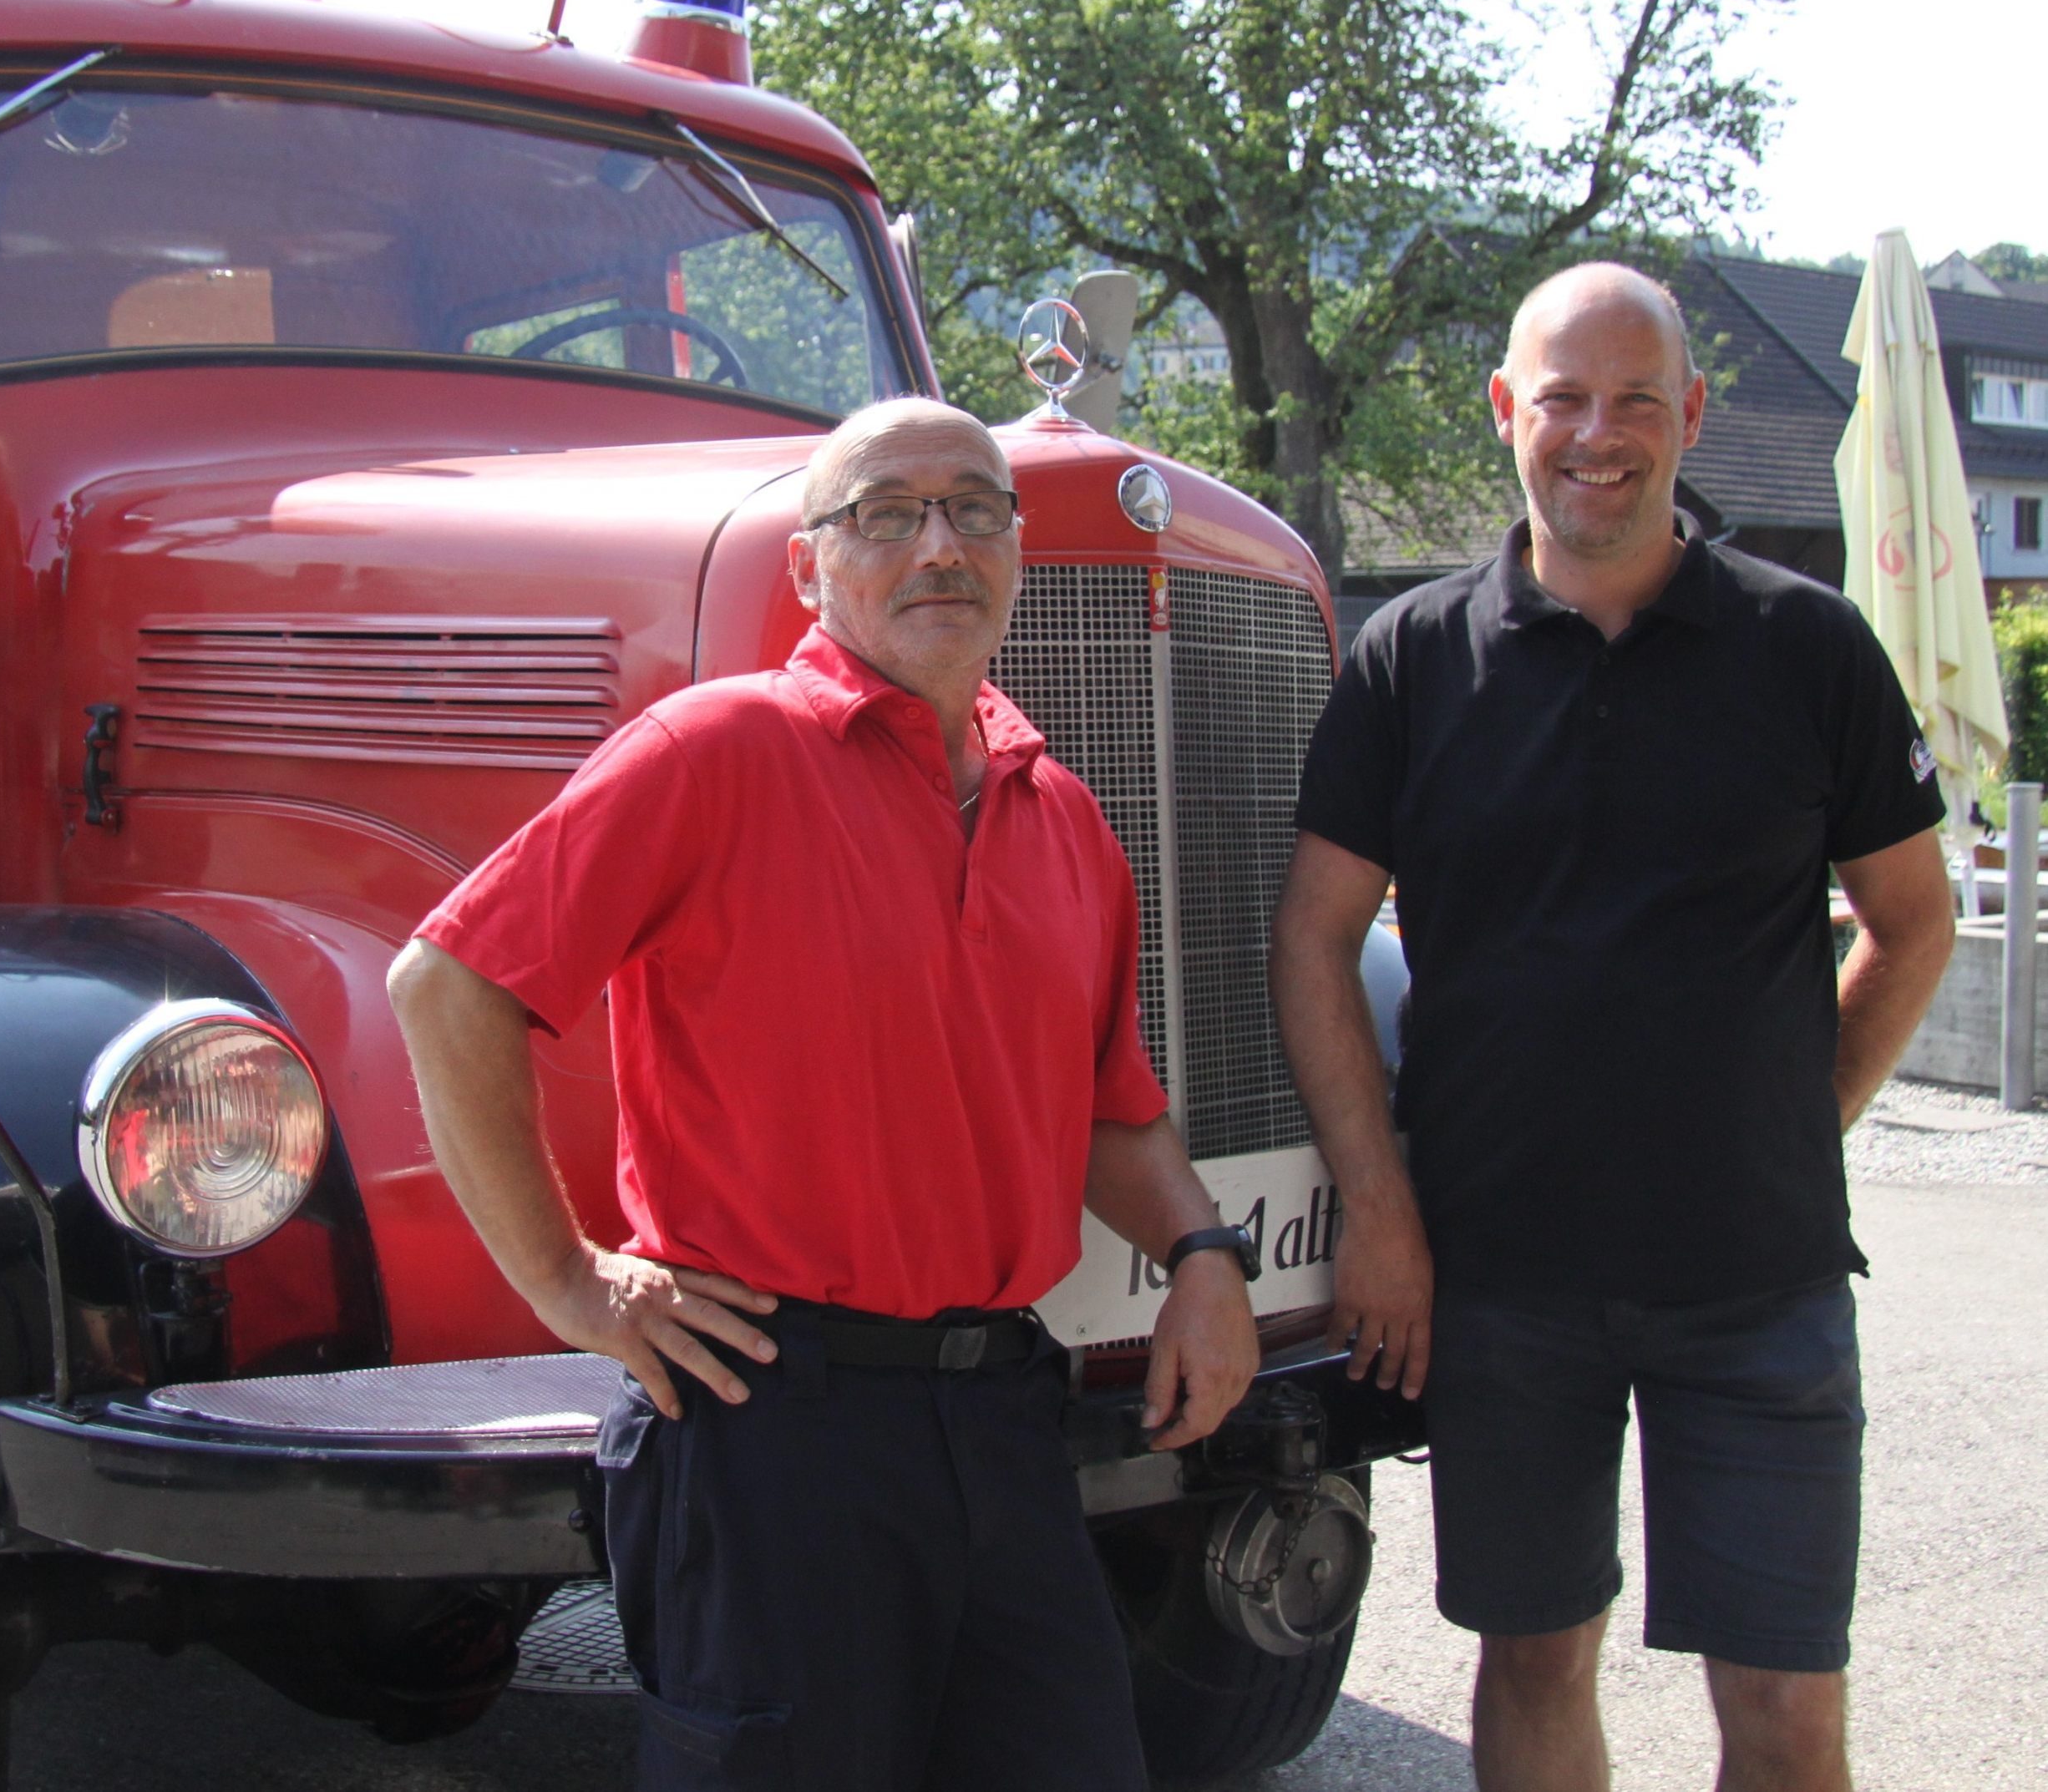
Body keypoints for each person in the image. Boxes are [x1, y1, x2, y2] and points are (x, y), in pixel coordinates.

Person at [388, 398, 1259, 1791]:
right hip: (768, 1422)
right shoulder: (711, 750)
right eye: (884, 512)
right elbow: (446, 985)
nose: (938, 544)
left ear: (1015, 553)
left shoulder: (1064, 817)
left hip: (1001, 1423)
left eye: (975, 508)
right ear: (808, 566)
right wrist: (568, 1282)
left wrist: (1203, 1256)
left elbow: (1108, 1109)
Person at [1270, 263, 1957, 1792]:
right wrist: (1378, 1211)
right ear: (1506, 411)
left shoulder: (1809, 646)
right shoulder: (1412, 657)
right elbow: (1314, 938)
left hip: (1757, 1283)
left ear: (1691, 417)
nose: (1598, 433)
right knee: (1531, 1657)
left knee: (1784, 1709)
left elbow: (1911, 925)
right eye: (1563, 398)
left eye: (1636, 398)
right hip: (1500, 1278)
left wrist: (1798, 1117)